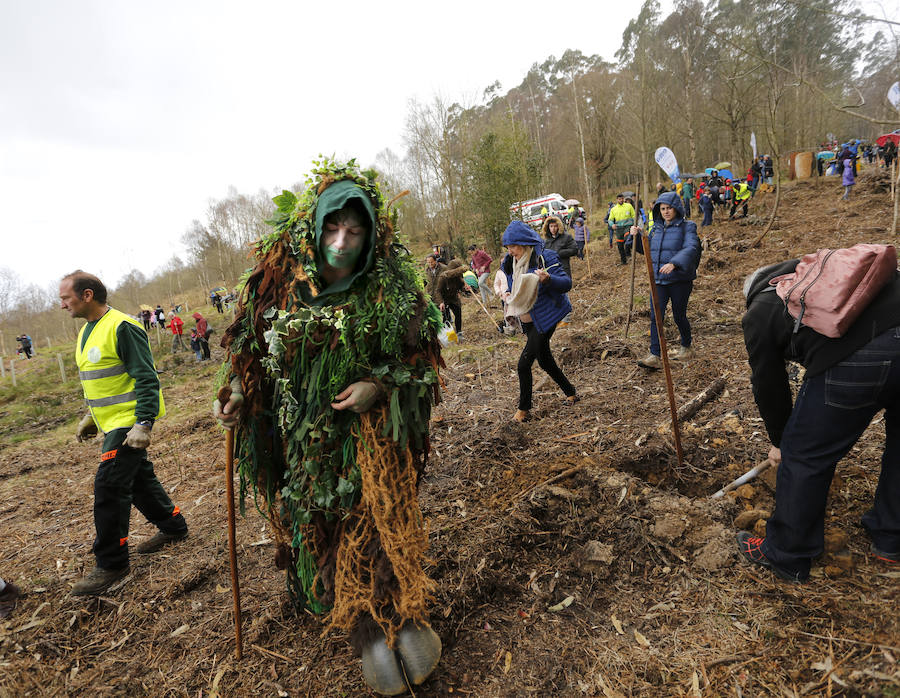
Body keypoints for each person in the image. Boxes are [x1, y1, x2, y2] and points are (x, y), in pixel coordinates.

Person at [213, 160, 443, 694]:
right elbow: (247, 353)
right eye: (333, 229)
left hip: (369, 442)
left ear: (371, 235)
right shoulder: (276, 288)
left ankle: (401, 620)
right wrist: (240, 395)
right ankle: (366, 632)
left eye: (355, 231)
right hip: (303, 442)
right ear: (315, 229)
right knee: (322, 525)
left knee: (375, 521)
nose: (342, 243)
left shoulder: (394, 289)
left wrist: (379, 389)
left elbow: (422, 362)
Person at [736, 259, 900, 581]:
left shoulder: (759, 310)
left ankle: (786, 553)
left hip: (867, 353)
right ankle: (891, 537)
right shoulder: (829, 272)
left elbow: (769, 385)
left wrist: (782, 441)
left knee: (805, 453)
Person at [59, 270, 188, 596]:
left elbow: (146, 377)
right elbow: (105, 379)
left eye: (66, 297)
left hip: (129, 421)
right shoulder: (87, 331)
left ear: (87, 295)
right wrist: (91, 415)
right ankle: (173, 526)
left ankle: (112, 563)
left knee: (110, 485)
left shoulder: (123, 326)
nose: (62, 305)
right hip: (111, 422)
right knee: (139, 480)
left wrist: (144, 423)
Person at [499, 221, 578, 423]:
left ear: (524, 243)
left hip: (547, 317)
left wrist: (548, 279)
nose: (510, 251)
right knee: (544, 360)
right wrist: (508, 291)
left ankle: (523, 410)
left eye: (513, 246)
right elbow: (511, 283)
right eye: (507, 247)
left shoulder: (545, 258)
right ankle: (571, 392)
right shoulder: (510, 262)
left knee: (523, 364)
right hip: (527, 319)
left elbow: (566, 284)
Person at [634, 192, 701, 369]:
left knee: (679, 315)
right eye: (662, 209)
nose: (666, 212)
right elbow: (648, 250)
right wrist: (638, 236)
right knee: (656, 316)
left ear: (676, 208)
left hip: (680, 280)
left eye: (669, 208)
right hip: (658, 281)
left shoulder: (688, 227)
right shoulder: (656, 228)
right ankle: (655, 355)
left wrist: (674, 263)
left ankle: (686, 347)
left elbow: (691, 247)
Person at [436, 259, 466, 340]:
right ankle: (448, 335)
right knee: (446, 318)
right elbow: (438, 291)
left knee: (458, 314)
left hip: (454, 298)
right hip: (444, 299)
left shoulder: (458, 277)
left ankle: (459, 332)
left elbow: (461, 286)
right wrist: (441, 302)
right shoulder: (443, 277)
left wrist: (464, 288)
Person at [608, 193, 636, 265]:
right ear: (617, 200)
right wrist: (612, 224)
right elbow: (610, 219)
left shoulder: (629, 206)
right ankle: (623, 261)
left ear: (624, 199)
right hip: (619, 229)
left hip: (628, 227)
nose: (621, 200)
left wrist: (635, 224)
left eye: (622, 199)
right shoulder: (613, 209)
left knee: (627, 239)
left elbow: (634, 215)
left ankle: (630, 253)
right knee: (620, 245)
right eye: (619, 199)